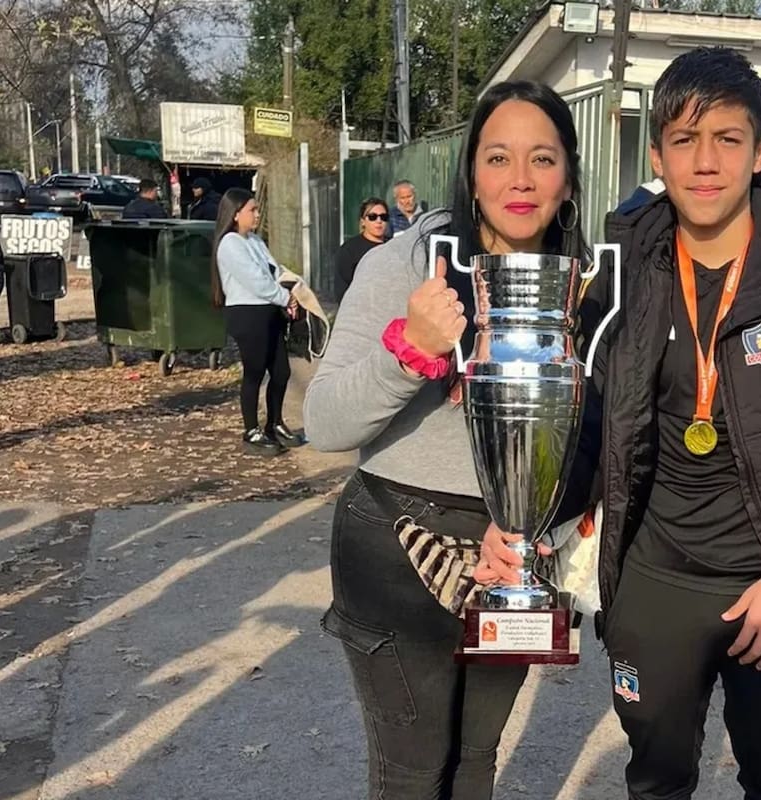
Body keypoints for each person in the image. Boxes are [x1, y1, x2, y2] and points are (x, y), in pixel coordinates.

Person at [486, 48, 761, 800]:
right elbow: (593, 425)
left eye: (727, 139)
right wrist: (528, 520)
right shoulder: (621, 272)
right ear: (657, 156)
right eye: (684, 140)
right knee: (656, 779)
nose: (705, 162)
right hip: (655, 581)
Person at [303, 81, 585, 799]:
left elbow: (597, 437)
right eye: (498, 157)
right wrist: (411, 351)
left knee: (474, 765)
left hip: (517, 552)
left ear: (568, 177)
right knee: (413, 774)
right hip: (399, 544)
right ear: (471, 174)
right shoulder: (406, 263)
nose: (520, 179)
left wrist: (539, 527)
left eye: (542, 158)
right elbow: (324, 422)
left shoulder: (587, 285)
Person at [211, 188, 303, 456]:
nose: (257, 214)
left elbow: (273, 271)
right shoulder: (230, 243)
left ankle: (275, 423)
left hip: (269, 310)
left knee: (281, 371)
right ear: (235, 213)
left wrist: (293, 290)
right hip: (247, 312)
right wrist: (284, 297)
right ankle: (251, 430)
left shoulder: (254, 240)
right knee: (254, 372)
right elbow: (255, 280)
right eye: (252, 210)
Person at [333, 197, 389, 302]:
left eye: (383, 217)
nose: (379, 221)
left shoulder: (393, 246)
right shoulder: (349, 250)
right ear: (363, 221)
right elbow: (342, 289)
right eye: (372, 217)